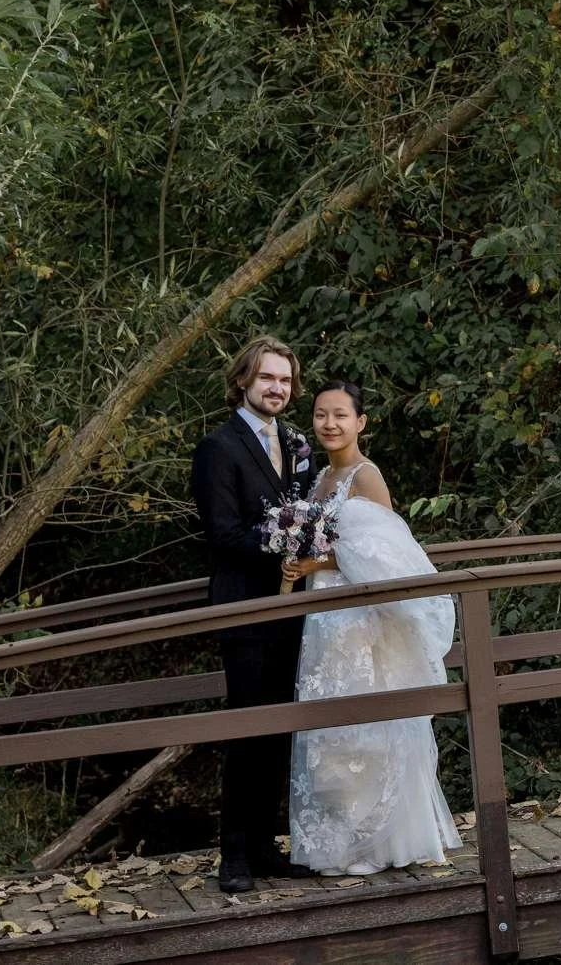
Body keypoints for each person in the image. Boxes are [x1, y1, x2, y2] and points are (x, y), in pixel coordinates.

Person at [284, 379, 462, 875]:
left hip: (359, 618)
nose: (330, 424)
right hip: (325, 618)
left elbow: (389, 556)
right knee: (331, 727)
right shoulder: (318, 480)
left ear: (360, 422)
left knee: (365, 724)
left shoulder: (367, 477)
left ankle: (380, 843)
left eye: (341, 415)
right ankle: (338, 844)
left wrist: (318, 564)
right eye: (321, 415)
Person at [189, 335, 319, 892]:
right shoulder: (218, 447)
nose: (277, 388)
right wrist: (283, 546)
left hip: (291, 608)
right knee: (246, 728)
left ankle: (267, 849)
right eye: (268, 378)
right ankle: (235, 858)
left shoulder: (293, 443)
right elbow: (222, 532)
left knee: (279, 728)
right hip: (243, 604)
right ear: (243, 380)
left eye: (286, 381)